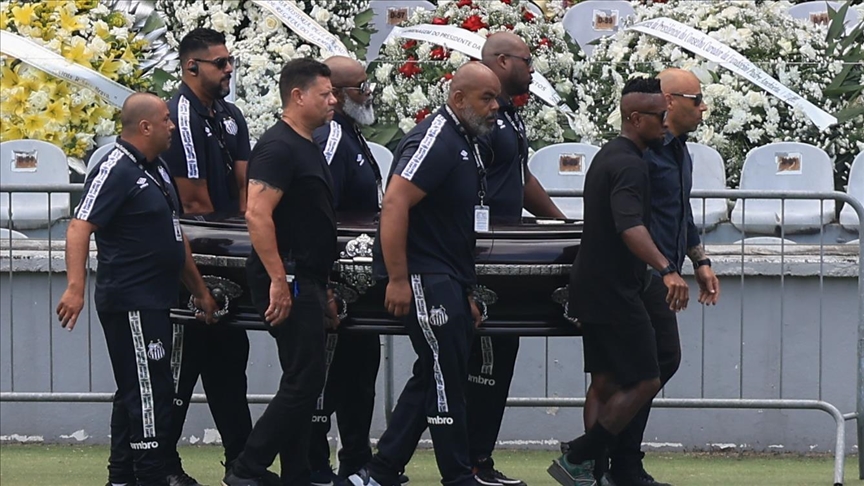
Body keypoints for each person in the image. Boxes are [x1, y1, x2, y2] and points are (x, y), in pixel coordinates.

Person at [348, 62, 500, 486]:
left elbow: (452, 225)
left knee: (433, 371)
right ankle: (456, 475)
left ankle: (380, 471)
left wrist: (466, 289)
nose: (495, 108)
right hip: (424, 275)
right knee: (444, 375)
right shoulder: (438, 138)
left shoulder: (462, 140)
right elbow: (394, 204)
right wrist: (398, 277)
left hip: (445, 276)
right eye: (486, 99)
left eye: (496, 99)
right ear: (458, 99)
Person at [56, 92, 219, 486]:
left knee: (138, 386)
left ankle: (123, 476)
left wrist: (198, 289)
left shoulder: (157, 168)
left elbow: (174, 235)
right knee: (149, 391)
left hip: (156, 299)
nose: (173, 125)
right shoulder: (115, 166)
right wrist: (75, 288)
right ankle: (151, 473)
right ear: (145, 126)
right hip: (131, 300)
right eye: (166, 119)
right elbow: (80, 226)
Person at [547, 78, 689, 486]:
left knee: (607, 380)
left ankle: (594, 470)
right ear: (635, 118)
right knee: (646, 377)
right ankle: (582, 457)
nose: (666, 123)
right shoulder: (629, 164)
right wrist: (667, 269)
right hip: (613, 289)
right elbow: (630, 227)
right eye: (659, 117)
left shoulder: (611, 154)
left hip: (598, 285)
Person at [599, 69, 721, 486]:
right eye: (696, 98)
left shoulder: (678, 150)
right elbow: (631, 219)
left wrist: (699, 259)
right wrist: (664, 269)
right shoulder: (641, 153)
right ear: (669, 101)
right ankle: (600, 456)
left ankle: (616, 461)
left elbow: (679, 210)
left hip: (665, 270)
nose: (703, 106)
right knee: (653, 364)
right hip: (644, 275)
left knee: (645, 368)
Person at [222, 58, 341, 486]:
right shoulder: (277, 147)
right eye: (325, 94)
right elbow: (257, 214)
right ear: (298, 96)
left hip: (303, 275)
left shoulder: (304, 143)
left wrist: (319, 284)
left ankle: (296, 472)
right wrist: (279, 279)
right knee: (305, 379)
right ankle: (248, 468)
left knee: (302, 379)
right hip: (286, 273)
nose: (333, 100)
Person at [468, 32, 567, 486]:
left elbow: (520, 178)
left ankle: (475, 457)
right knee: (484, 362)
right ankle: (471, 461)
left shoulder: (508, 115)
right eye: (527, 60)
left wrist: (561, 222)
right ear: (502, 61)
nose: (532, 69)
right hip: (480, 258)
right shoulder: (481, 118)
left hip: (503, 254)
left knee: (498, 358)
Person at [160, 27, 254, 485]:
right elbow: (194, 202)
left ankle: (241, 465)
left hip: (227, 258)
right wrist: (207, 276)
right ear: (191, 66)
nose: (229, 69)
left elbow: (243, 188)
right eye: (220, 63)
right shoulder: (178, 113)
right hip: (191, 265)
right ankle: (160, 467)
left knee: (229, 364)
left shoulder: (230, 114)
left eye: (229, 60)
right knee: (179, 372)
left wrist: (241, 250)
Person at [308, 55, 383, 486]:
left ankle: (356, 460)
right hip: (337, 281)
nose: (367, 91)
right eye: (360, 86)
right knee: (325, 377)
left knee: (361, 375)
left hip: (360, 281)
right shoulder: (331, 137)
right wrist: (327, 283)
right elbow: (322, 213)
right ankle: (315, 464)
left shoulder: (352, 135)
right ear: (335, 94)